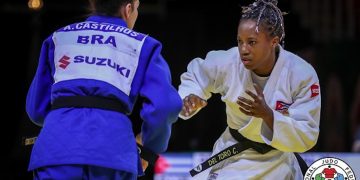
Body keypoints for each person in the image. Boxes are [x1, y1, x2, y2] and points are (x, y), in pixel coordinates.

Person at [25, 0, 182, 179]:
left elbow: (36, 109)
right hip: (113, 152)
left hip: (56, 150)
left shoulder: (58, 38)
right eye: (137, 9)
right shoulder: (143, 44)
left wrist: (65, 127)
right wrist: (148, 149)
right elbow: (165, 106)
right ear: (128, 9)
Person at [178, 0, 321, 179]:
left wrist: (268, 115)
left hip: (278, 160)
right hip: (234, 153)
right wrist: (190, 96)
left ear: (274, 42)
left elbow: (307, 134)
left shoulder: (301, 74)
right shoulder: (229, 61)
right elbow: (198, 74)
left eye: (252, 42)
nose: (243, 49)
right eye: (240, 41)